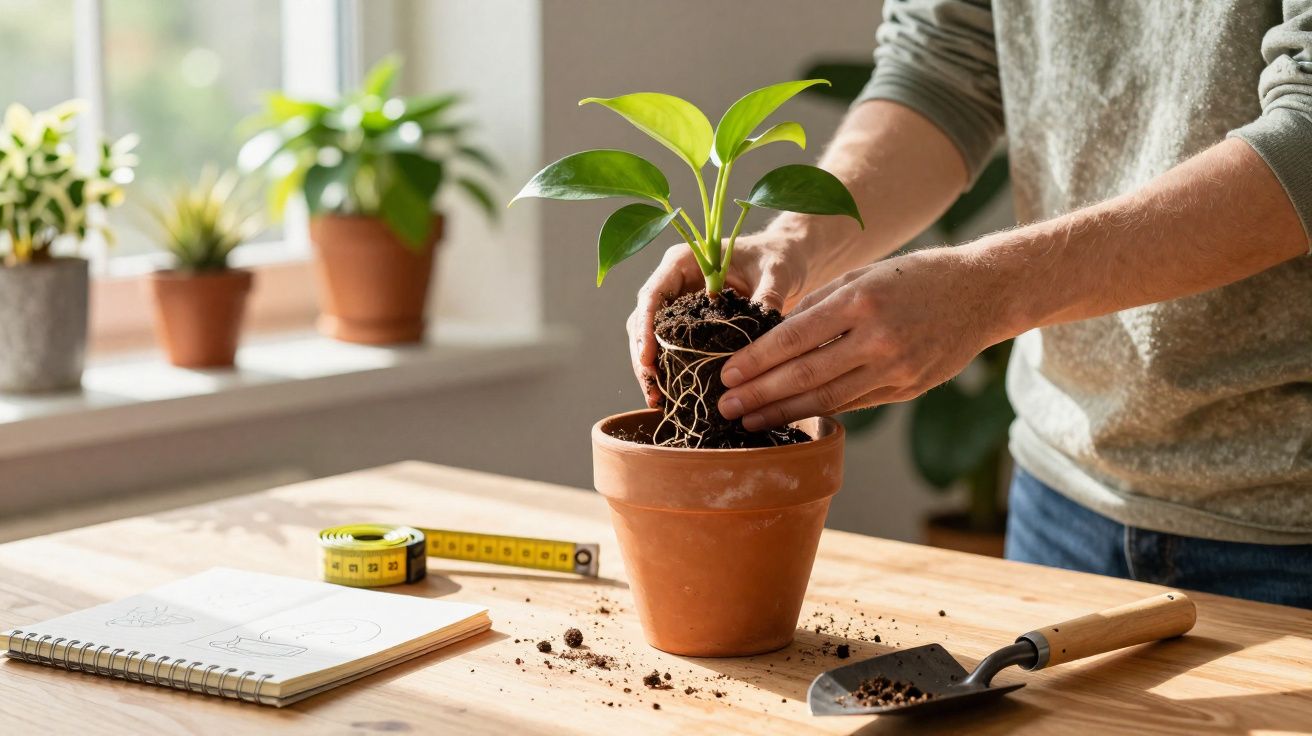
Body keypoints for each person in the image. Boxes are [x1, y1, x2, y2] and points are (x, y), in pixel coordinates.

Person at [627, 1, 1312, 608]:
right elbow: (943, 65)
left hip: (1287, 518)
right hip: (1061, 491)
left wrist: (988, 291)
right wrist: (794, 238)